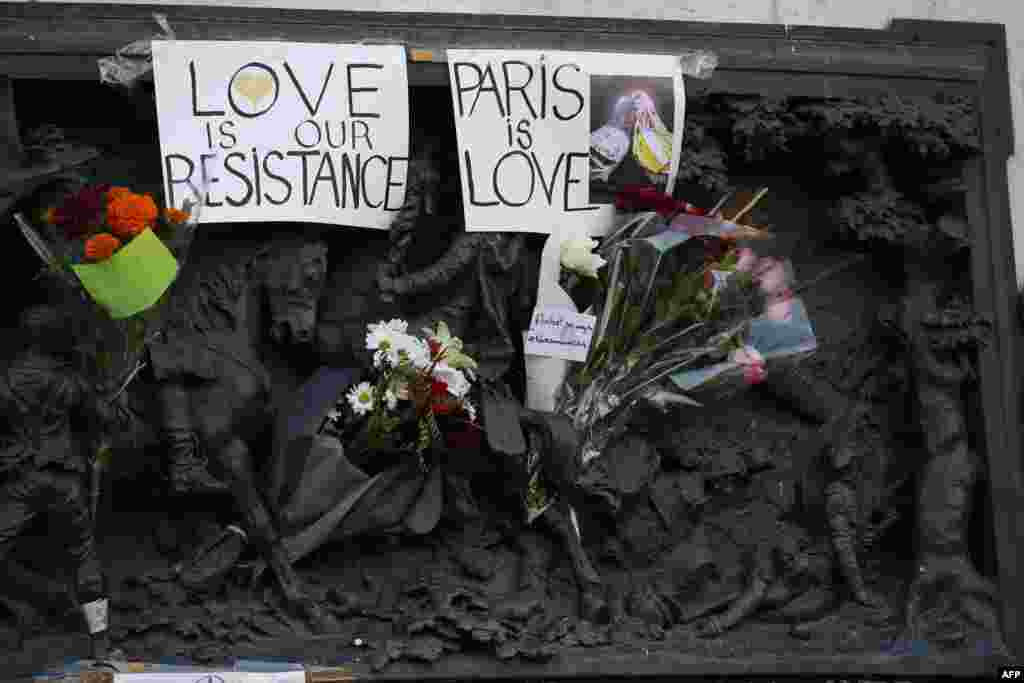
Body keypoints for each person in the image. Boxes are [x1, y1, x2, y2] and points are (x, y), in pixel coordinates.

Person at [0, 304, 119, 659]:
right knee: (84, 556)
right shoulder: (70, 380)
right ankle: (101, 646)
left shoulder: (5, 378)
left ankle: (36, 601)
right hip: (66, 482)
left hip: (20, 479)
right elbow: (104, 418)